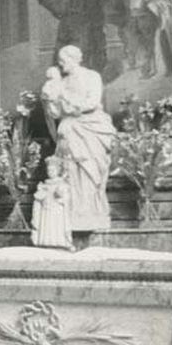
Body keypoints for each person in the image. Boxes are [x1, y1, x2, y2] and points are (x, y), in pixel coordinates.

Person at [41, 45, 116, 231]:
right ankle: (74, 214)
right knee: (70, 171)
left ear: (75, 59)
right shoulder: (62, 82)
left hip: (91, 130)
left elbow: (92, 102)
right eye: (59, 60)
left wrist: (65, 98)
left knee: (92, 171)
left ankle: (92, 213)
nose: (59, 63)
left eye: (63, 59)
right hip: (69, 130)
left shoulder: (92, 77)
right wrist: (49, 100)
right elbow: (56, 112)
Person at [30, 156, 74, 250]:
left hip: (57, 211)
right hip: (46, 210)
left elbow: (65, 198)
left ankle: (61, 242)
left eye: (52, 170)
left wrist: (60, 193)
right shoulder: (44, 184)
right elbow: (39, 198)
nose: (50, 172)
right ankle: (44, 242)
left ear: (58, 171)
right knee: (46, 226)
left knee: (56, 227)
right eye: (49, 170)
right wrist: (40, 192)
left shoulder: (62, 184)